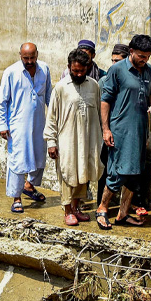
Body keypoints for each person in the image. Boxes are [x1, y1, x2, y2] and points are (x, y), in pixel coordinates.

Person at [97, 34, 151, 229]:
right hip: (120, 130)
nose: (144, 60)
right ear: (131, 52)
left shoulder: (148, 71)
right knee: (118, 172)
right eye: (141, 56)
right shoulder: (117, 70)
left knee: (134, 175)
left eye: (147, 56)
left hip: (140, 131)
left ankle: (123, 214)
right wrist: (106, 130)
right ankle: (102, 210)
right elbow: (105, 100)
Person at [45, 49, 103, 226]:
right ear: (69, 67)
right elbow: (52, 117)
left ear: (88, 67)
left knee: (83, 172)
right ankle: (68, 210)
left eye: (82, 71)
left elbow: (99, 113)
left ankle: (77, 208)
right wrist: (51, 142)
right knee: (68, 172)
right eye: (75, 70)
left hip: (88, 139)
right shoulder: (61, 87)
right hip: (67, 140)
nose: (78, 74)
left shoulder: (94, 85)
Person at [0, 43, 52, 213]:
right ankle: (16, 197)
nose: (29, 61)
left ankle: (29, 185)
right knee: (18, 160)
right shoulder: (11, 72)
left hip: (39, 123)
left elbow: (49, 95)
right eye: (25, 58)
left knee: (39, 157)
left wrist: (53, 121)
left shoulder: (44, 69)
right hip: (17, 125)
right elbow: (2, 102)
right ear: (20, 55)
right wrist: (2, 125)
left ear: (37, 55)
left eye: (32, 58)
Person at [96, 44, 130, 205]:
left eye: (118, 61)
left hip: (126, 133)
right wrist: (105, 129)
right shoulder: (104, 80)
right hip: (109, 133)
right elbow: (102, 106)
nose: (114, 65)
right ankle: (101, 205)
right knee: (107, 170)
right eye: (113, 61)